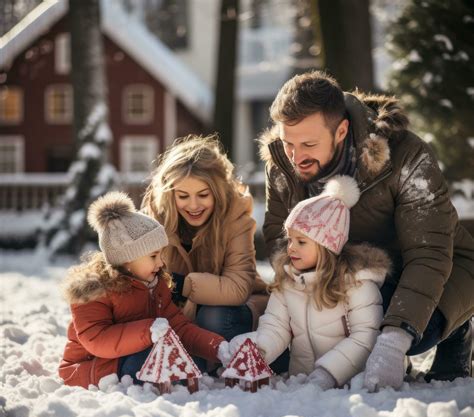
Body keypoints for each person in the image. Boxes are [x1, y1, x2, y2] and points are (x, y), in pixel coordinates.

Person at [259, 70, 474, 390]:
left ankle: (457, 330)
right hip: (342, 275)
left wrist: (392, 343)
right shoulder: (283, 160)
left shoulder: (406, 156)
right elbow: (280, 234)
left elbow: (429, 253)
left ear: (342, 130)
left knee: (402, 330)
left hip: (434, 267)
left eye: (308, 144)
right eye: (289, 143)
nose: (296, 156)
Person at [229, 175, 390, 389]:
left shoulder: (357, 284)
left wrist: (328, 373)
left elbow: (365, 338)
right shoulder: (288, 280)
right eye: (289, 239)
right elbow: (276, 326)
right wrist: (259, 350)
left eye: (301, 241)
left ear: (327, 245)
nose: (291, 248)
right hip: (303, 382)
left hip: (349, 384)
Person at [59, 192, 232, 389]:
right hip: (95, 365)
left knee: (190, 361)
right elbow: (97, 339)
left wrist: (215, 346)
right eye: (153, 256)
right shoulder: (95, 291)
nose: (161, 262)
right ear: (127, 258)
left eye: (161, 255)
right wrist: (147, 331)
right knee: (150, 363)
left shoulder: (154, 285)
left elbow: (178, 327)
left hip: (140, 353)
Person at [141, 135, 278, 373]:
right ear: (170, 194)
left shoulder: (236, 219)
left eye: (203, 195)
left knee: (213, 318)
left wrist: (181, 284)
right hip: (179, 314)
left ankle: (218, 358)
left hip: (235, 308)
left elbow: (238, 287)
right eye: (183, 196)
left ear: (218, 190)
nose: (193, 205)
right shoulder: (155, 219)